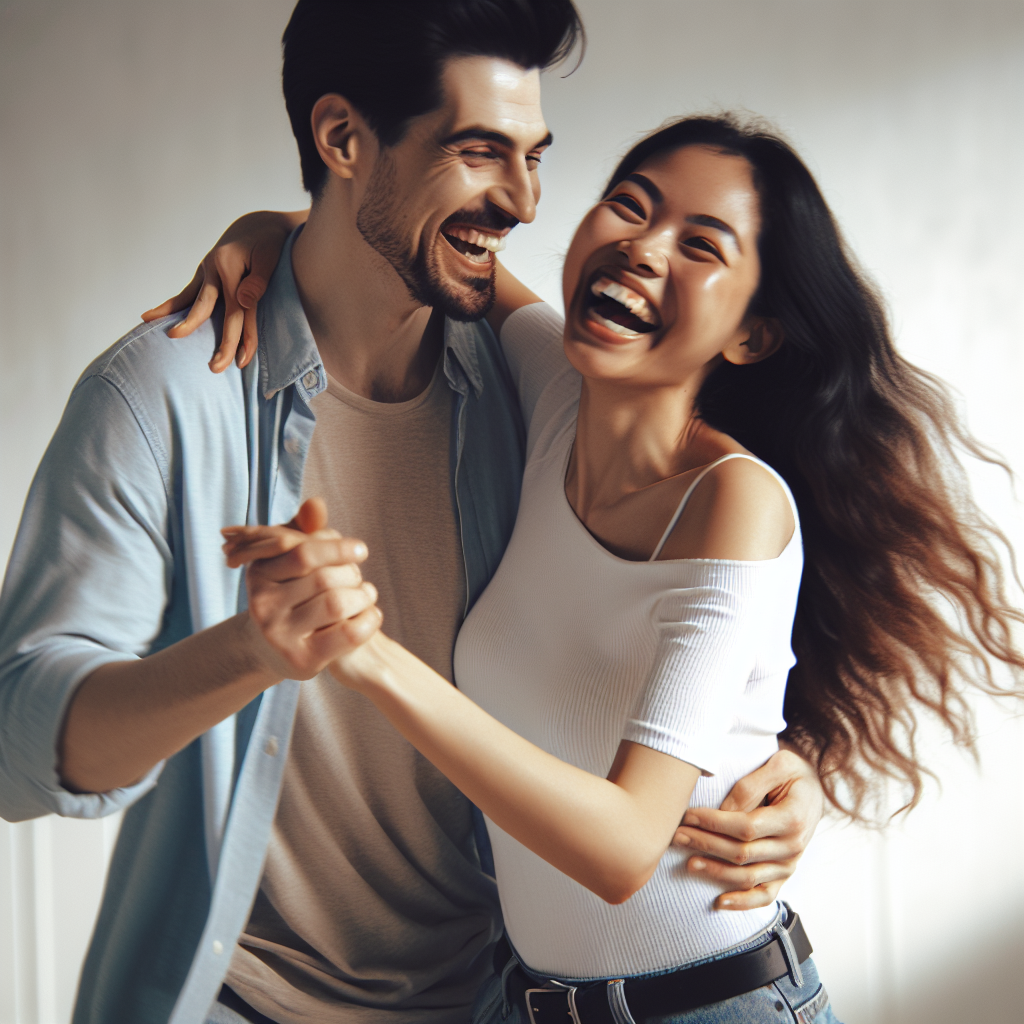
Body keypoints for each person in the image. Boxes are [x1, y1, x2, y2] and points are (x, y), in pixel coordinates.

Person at [0, 4, 824, 1024]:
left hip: (493, 997)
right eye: (479, 152)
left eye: (534, 157)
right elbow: (18, 745)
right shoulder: (164, 396)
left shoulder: (529, 379)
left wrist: (787, 763)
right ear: (342, 138)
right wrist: (250, 651)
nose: (523, 201)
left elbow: (694, 629)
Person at [215, 114, 1024, 1023]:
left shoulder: (733, 502)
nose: (643, 248)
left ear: (752, 335)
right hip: (523, 1002)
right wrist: (266, 230)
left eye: (701, 245)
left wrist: (367, 657)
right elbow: (407, 245)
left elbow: (625, 848)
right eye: (631, 206)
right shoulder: (553, 392)